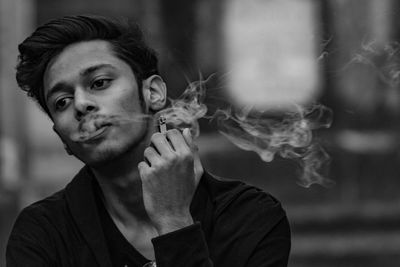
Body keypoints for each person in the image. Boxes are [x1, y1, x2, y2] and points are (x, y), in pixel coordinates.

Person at [6, 15, 291, 267]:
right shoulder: (43, 234)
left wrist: (173, 220)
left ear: (153, 93)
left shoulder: (248, 218)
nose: (81, 105)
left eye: (99, 83)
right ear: (62, 138)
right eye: (62, 102)